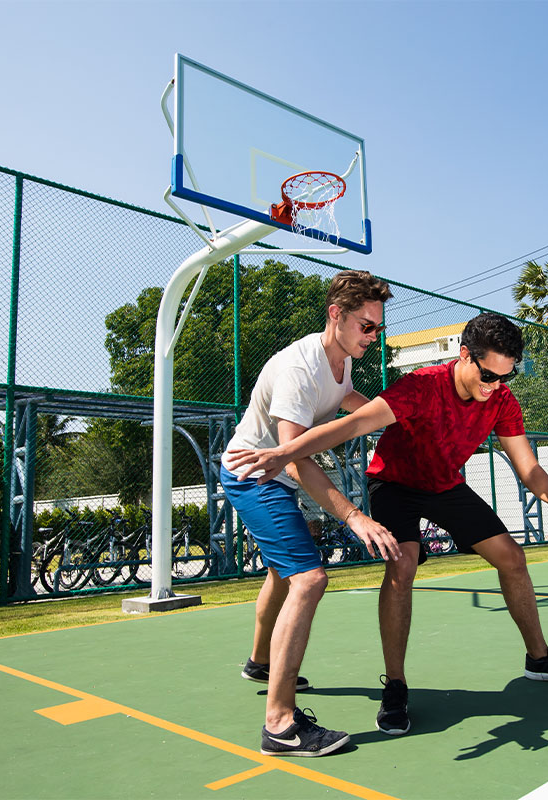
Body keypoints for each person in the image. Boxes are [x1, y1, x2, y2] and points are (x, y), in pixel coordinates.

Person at [225, 312, 548, 738]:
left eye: (504, 379)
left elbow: (527, 466)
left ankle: (538, 658)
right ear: (465, 355)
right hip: (393, 482)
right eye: (488, 375)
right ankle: (395, 687)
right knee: (403, 565)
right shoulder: (421, 386)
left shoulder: (502, 401)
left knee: (511, 557)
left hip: (443, 484)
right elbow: (352, 425)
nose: (494, 387)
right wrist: (284, 453)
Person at [220, 269, 401, 757]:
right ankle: (279, 726)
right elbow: (294, 457)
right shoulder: (300, 367)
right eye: (367, 325)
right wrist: (355, 517)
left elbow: (345, 401)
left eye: (378, 327)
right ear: (336, 315)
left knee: (285, 572)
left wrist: (396, 423)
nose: (373, 336)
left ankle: (260, 663)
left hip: (275, 474)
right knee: (309, 579)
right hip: (255, 474)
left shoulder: (340, 362)